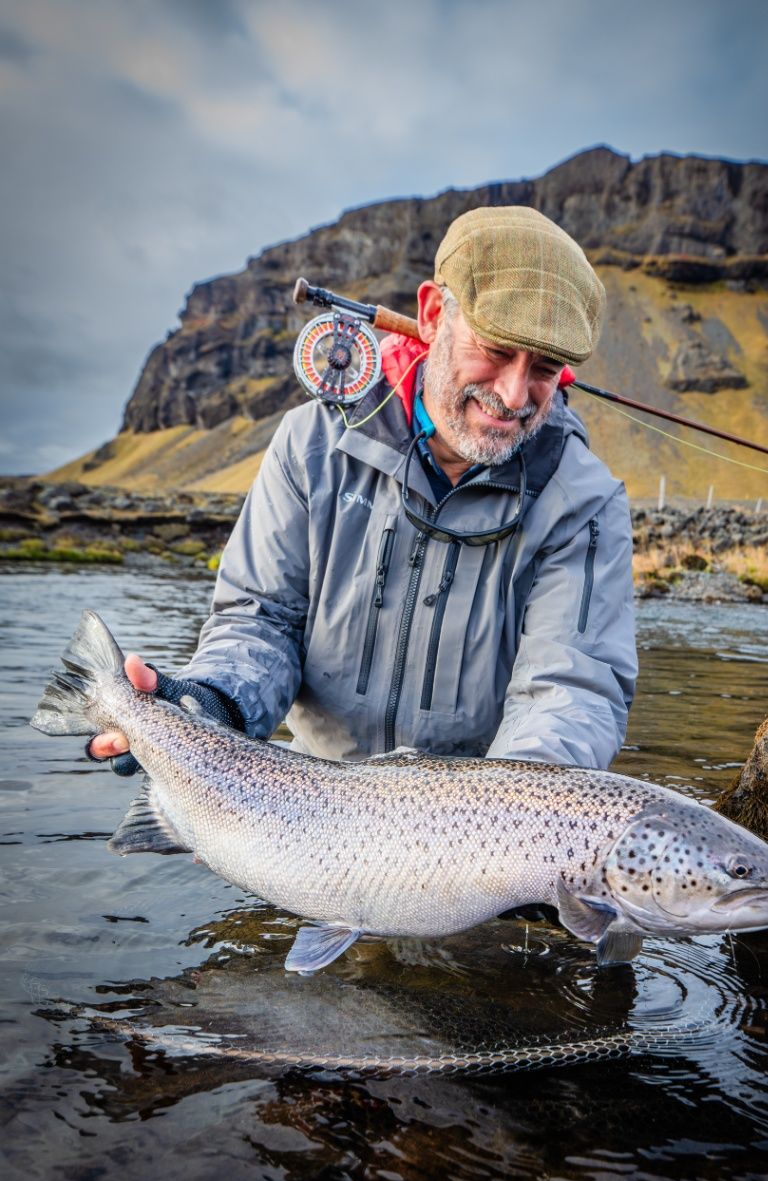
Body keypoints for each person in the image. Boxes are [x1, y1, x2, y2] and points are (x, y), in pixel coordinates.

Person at [89, 206, 637, 773]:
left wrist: (515, 819)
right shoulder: (311, 444)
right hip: (307, 802)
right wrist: (211, 705)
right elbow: (261, 619)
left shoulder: (585, 502)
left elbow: (572, 690)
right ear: (430, 314)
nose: (515, 394)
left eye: (546, 368)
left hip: (475, 826)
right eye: (496, 350)